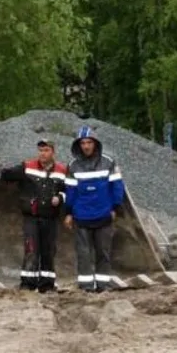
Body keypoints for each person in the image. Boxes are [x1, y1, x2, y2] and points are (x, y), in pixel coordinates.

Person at [0, 140, 66, 292]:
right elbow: (7, 174)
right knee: (31, 249)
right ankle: (27, 284)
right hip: (31, 217)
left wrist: (61, 198)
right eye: (40, 150)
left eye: (46, 150)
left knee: (48, 251)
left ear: (53, 152)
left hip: (50, 218)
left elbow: (69, 190)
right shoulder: (28, 167)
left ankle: (47, 284)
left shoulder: (62, 170)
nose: (42, 153)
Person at [63, 125, 125, 292]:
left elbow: (117, 187)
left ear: (95, 143)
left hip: (103, 214)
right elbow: (70, 191)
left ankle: (103, 285)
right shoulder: (73, 165)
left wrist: (115, 208)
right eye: (83, 142)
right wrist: (68, 213)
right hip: (81, 216)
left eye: (89, 142)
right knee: (83, 254)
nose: (86, 146)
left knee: (103, 253)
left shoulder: (108, 162)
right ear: (79, 145)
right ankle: (86, 287)